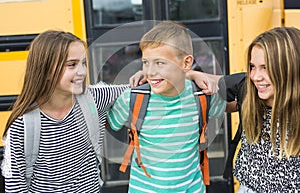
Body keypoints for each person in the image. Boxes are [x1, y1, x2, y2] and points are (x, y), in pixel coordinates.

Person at [1, 30, 128, 192]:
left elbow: (137, 90)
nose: (82, 72)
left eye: (83, 63)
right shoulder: (23, 125)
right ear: (46, 71)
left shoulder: (93, 99)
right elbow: (15, 187)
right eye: (72, 64)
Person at [107, 21, 227, 192]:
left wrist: (194, 75)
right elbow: (109, 122)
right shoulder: (132, 98)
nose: (150, 72)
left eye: (159, 63)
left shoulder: (200, 96)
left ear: (186, 63)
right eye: (146, 62)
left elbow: (236, 99)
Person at [234, 26, 300, 192]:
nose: (255, 76)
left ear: (289, 68)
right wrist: (192, 75)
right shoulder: (250, 95)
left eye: (265, 67)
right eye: (252, 66)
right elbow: (216, 85)